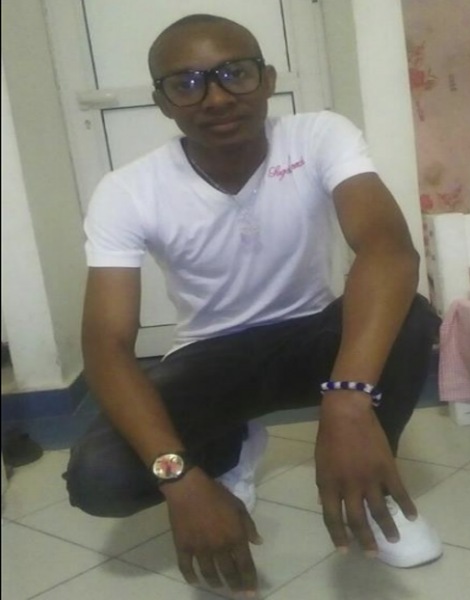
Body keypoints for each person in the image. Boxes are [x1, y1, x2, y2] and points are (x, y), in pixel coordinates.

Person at [64, 13, 443, 598]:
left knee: (410, 318)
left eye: (234, 74)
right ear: (163, 103)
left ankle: (371, 478)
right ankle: (222, 457)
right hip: (208, 358)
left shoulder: (319, 136)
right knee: (99, 477)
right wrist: (180, 480)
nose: (216, 98)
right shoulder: (127, 190)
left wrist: (347, 403)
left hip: (313, 338)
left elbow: (387, 251)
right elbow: (106, 347)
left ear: (267, 80)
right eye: (187, 83)